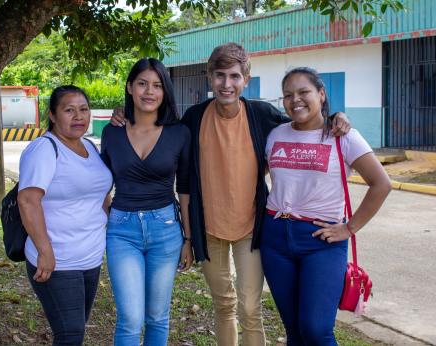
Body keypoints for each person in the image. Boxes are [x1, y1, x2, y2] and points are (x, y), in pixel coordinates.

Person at [111, 43, 350, 346]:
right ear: (210, 77)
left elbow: (302, 120)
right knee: (223, 305)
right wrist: (123, 113)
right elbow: (181, 179)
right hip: (209, 229)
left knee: (250, 308)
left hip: (251, 228)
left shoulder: (261, 114)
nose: (227, 84)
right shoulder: (194, 119)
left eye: (235, 76)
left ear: (246, 79)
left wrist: (335, 115)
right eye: (220, 75)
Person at [261, 67, 392, 345]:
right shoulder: (275, 135)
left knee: (316, 329)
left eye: (303, 92)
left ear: (321, 94)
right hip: (275, 239)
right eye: (288, 95)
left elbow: (381, 184)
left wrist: (350, 228)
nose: (295, 99)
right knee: (294, 329)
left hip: (321, 241)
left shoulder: (343, 136)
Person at [100, 58, 193, 346]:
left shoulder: (179, 132)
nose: (149, 91)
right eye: (142, 83)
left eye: (157, 85)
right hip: (122, 231)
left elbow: (186, 189)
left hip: (165, 229)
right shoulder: (111, 132)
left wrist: (187, 239)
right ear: (130, 87)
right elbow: (101, 183)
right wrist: (107, 214)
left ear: (165, 91)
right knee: (129, 319)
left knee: (157, 316)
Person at [17, 85, 113, 345]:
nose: (78, 116)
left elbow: (100, 194)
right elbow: (27, 200)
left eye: (83, 110)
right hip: (57, 261)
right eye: (69, 110)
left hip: (89, 259)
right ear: (52, 115)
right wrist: (45, 251)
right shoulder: (45, 149)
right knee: (70, 335)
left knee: (75, 331)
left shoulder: (90, 147)